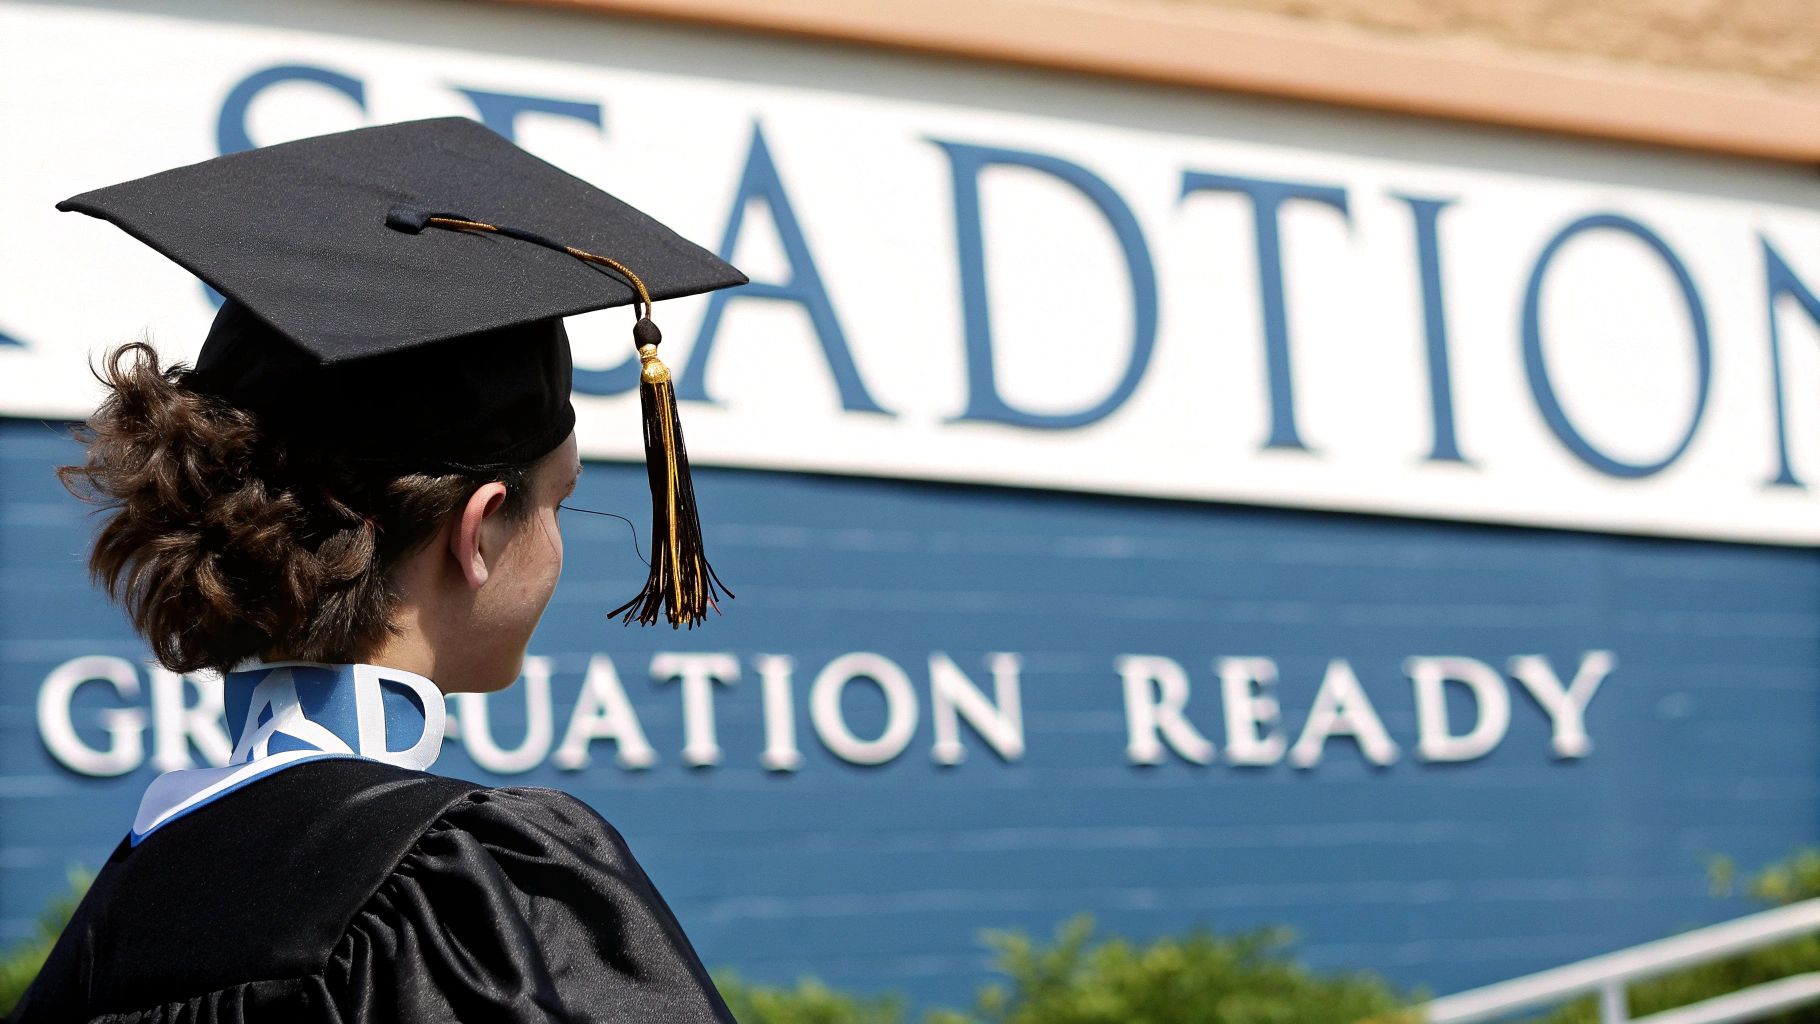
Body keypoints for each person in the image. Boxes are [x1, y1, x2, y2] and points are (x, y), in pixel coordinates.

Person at [8, 117, 748, 1023]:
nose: (558, 544)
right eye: (556, 503)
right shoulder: (471, 888)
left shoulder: (120, 909)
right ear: (475, 533)